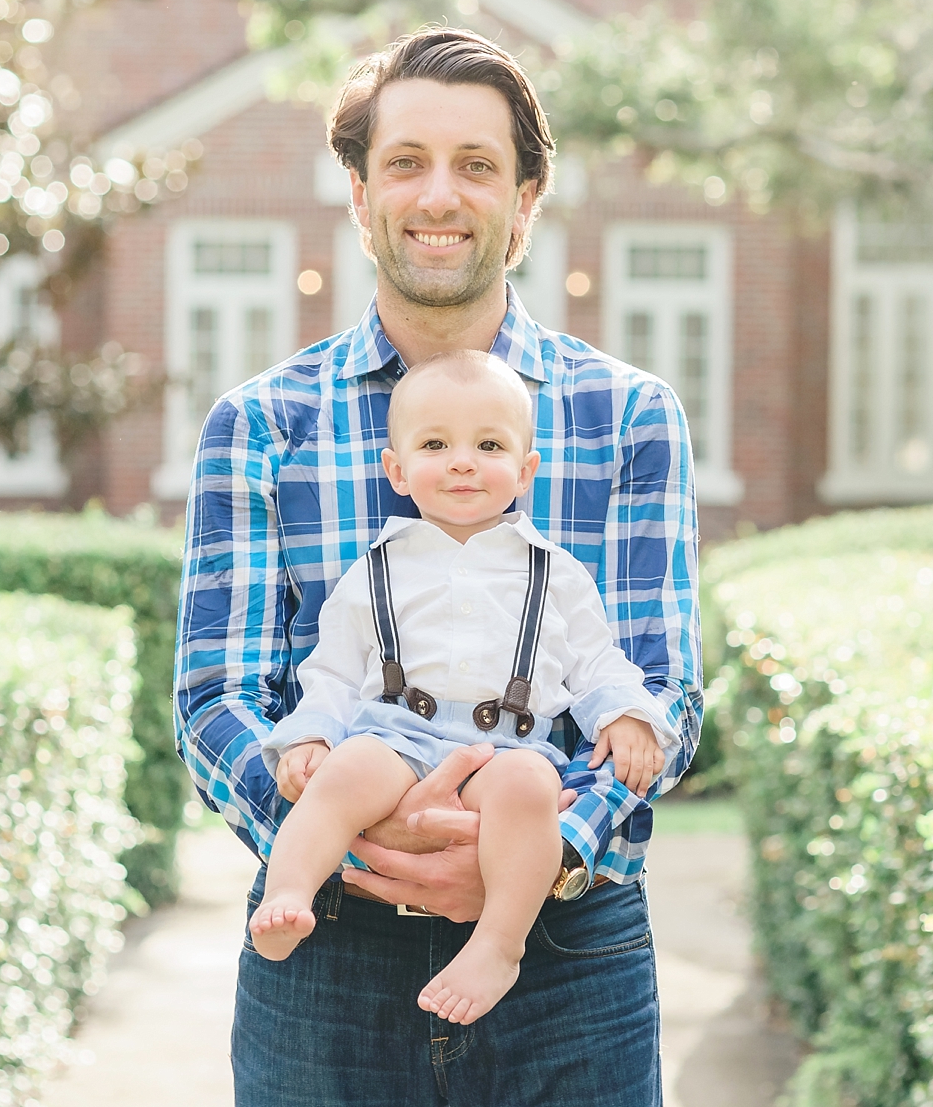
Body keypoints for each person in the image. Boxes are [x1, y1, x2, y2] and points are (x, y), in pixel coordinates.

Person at [175, 26, 703, 1106]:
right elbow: (216, 696)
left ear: (527, 199)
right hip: (323, 951)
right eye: (406, 162)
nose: (439, 197)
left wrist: (536, 854)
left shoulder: (630, 417)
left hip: (569, 956)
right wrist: (356, 842)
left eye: (477, 165)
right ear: (362, 197)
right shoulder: (261, 424)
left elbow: (661, 691)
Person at [248, 349, 676, 1026]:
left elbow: (596, 662)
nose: (461, 461)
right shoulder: (375, 570)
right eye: (435, 444)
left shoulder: (553, 573)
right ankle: (290, 894)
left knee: (531, 790)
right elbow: (329, 673)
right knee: (341, 776)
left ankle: (497, 946)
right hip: (393, 734)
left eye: (488, 444)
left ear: (525, 468)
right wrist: (310, 735)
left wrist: (623, 713)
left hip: (505, 745)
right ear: (396, 468)